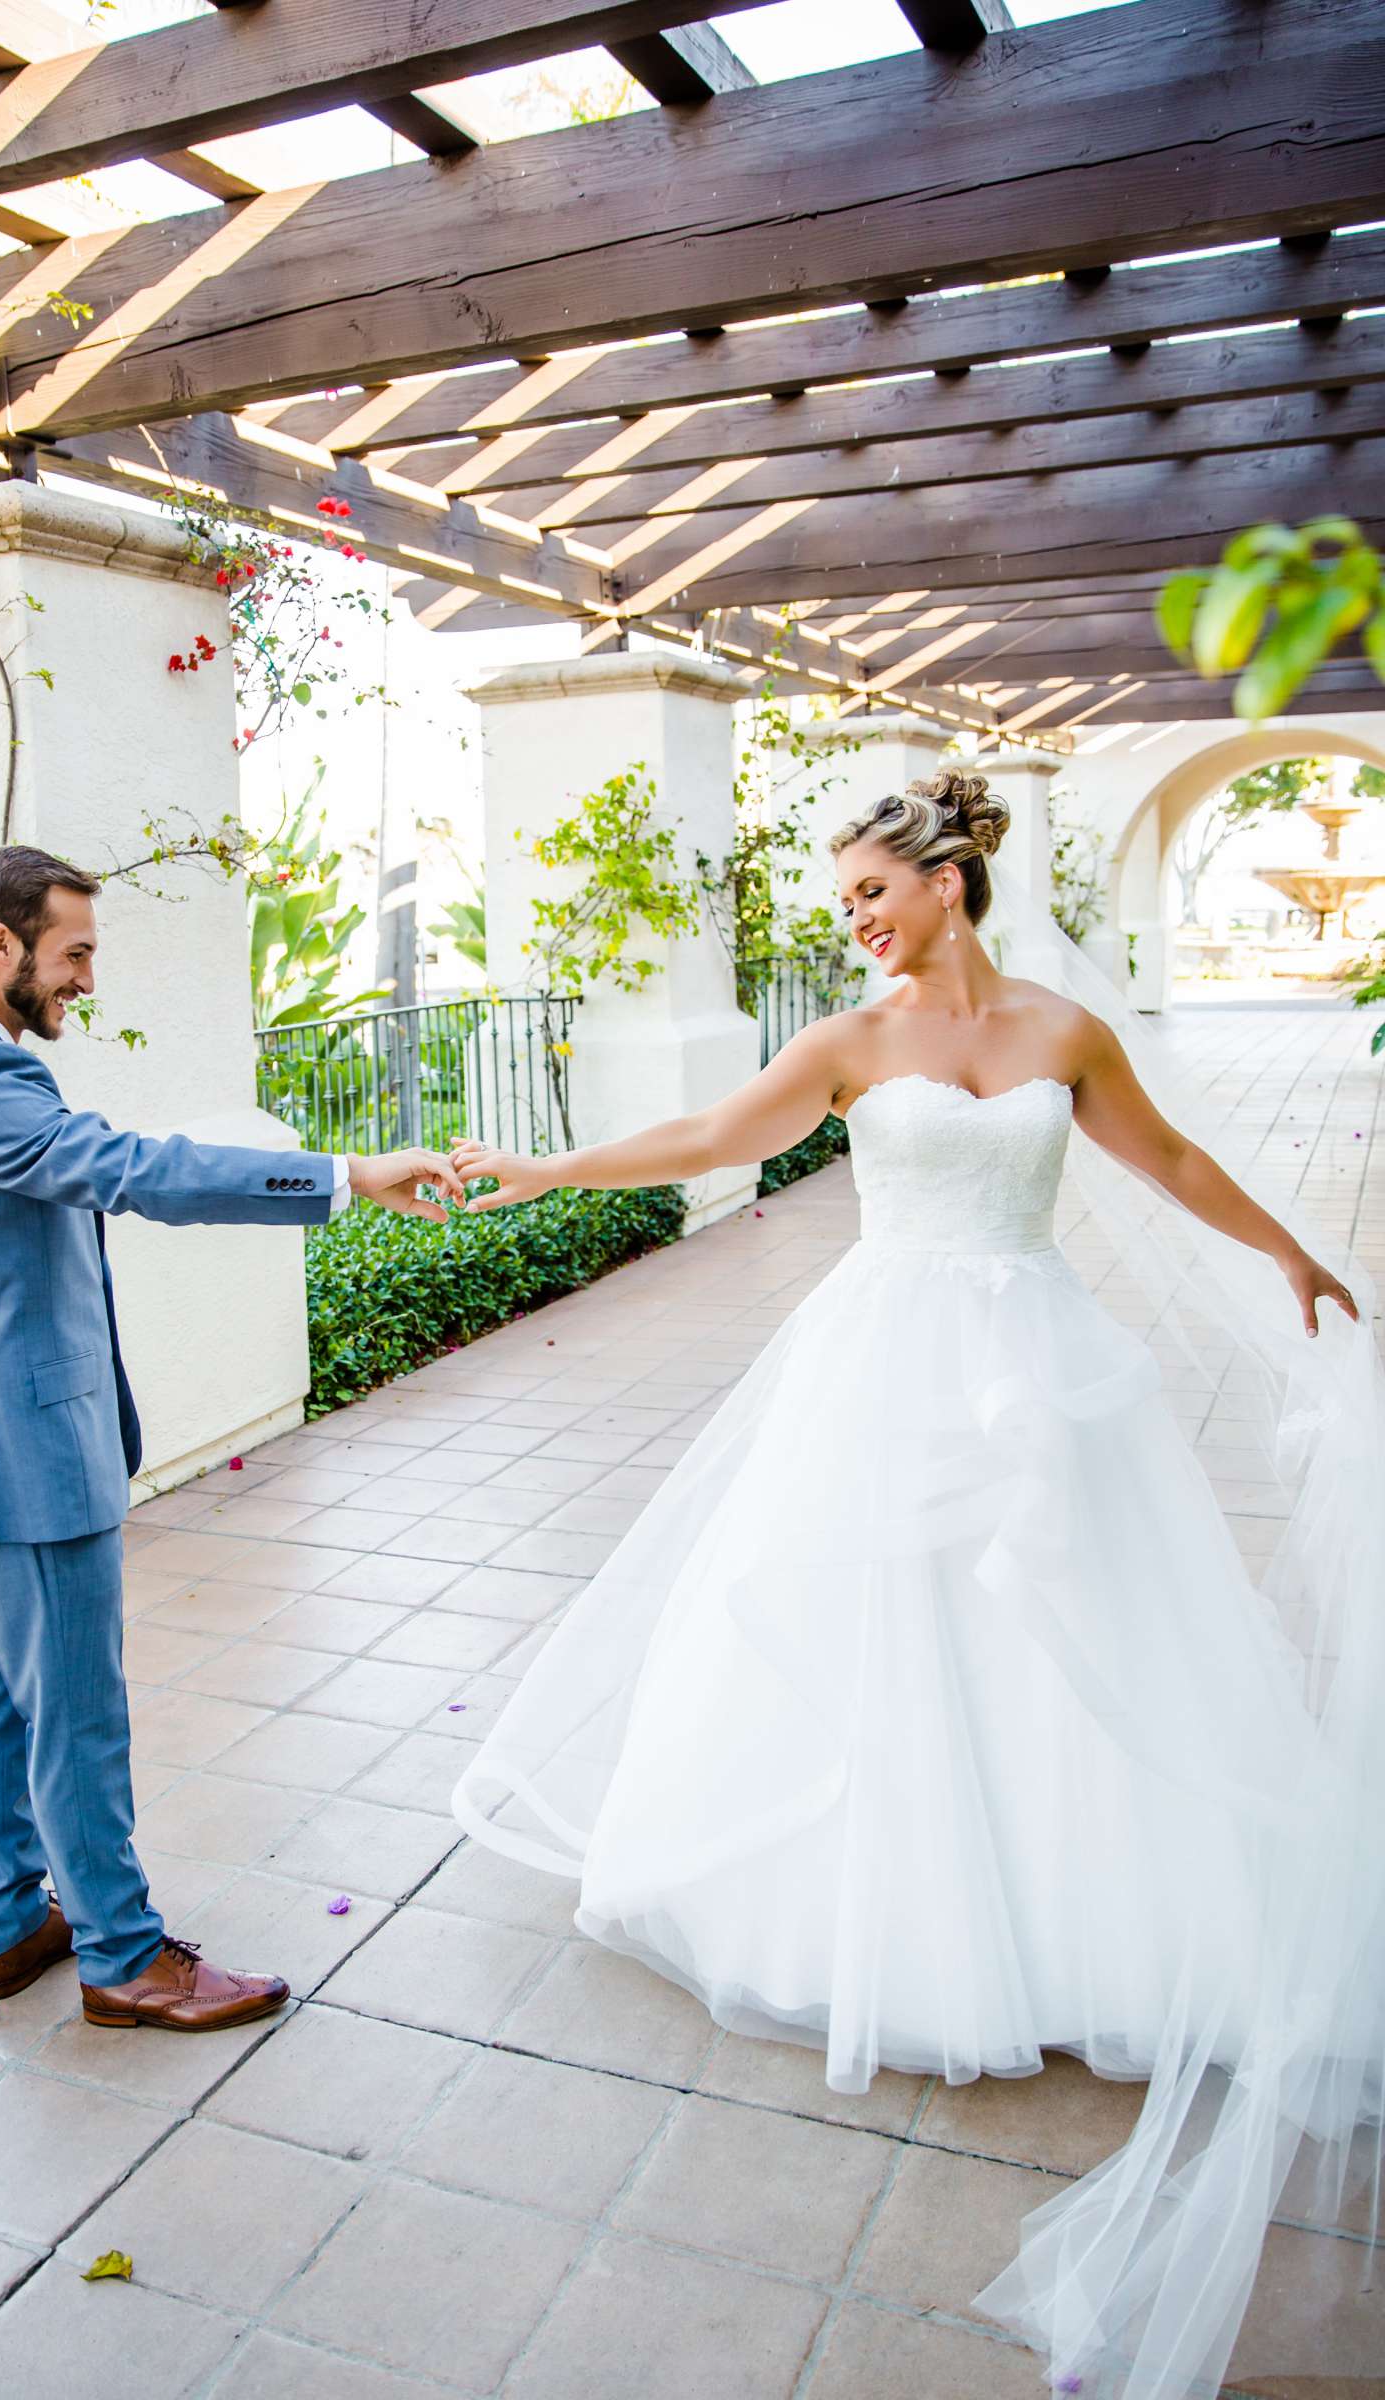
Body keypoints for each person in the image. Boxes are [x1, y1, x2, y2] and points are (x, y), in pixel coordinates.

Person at [447, 770, 1383, 2397]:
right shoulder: (851, 1045)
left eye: (873, 892)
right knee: (889, 1633)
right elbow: (707, 1135)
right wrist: (538, 1170)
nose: (856, 919)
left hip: (1040, 1372)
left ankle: (1073, 1906)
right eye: (848, 902)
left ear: (949, 883)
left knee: (1061, 1636)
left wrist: (1286, 1251)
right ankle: (906, 1914)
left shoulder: (1063, 1033)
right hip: (880, 1373)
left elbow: (1166, 1158)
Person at [0, 845, 462, 2033]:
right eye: (73, 952)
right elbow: (140, 1172)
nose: (86, 978)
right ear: (1, 946)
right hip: (28, 1451)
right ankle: (123, 1956)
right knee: (76, 1711)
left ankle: (8, 1924)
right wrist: (342, 1174)